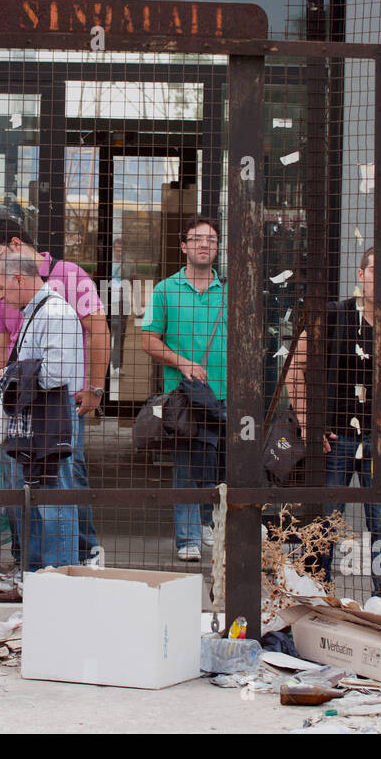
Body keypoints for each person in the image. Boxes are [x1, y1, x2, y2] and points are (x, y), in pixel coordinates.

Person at [285, 246, 381, 606]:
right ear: (360, 275)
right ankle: (318, 597)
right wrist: (307, 423)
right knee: (325, 524)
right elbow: (294, 372)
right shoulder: (330, 317)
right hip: (335, 439)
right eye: (376, 270)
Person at [0, 218, 109, 564]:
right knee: (31, 491)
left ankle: (75, 558)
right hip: (26, 412)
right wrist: (3, 379)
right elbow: (3, 342)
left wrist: (94, 388)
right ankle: (33, 567)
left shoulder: (66, 285)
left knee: (61, 486)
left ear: (16, 248)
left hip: (52, 410)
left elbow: (90, 339)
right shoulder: (27, 304)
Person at [0, 250, 86, 570]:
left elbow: (56, 373)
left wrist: (13, 375)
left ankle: (59, 576)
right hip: (40, 416)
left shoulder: (54, 312)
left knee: (54, 498)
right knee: (42, 496)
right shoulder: (38, 311)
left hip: (52, 417)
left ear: (19, 278)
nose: (0, 296)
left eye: (1, 287)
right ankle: (39, 574)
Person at [141, 216, 228, 561]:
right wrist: (183, 363)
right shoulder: (165, 290)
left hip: (225, 394)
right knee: (186, 466)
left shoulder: (229, 292)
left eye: (210, 239)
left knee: (217, 466)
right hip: (184, 396)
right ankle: (187, 537)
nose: (204, 244)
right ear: (184, 246)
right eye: (196, 239)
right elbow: (148, 341)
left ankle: (207, 520)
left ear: (217, 247)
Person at [107, 238, 135, 375]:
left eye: (121, 249)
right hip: (108, 304)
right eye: (116, 249)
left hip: (122, 304)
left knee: (119, 335)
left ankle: (117, 366)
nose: (118, 252)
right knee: (107, 334)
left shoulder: (129, 264)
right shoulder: (107, 262)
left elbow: (135, 282)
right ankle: (108, 365)